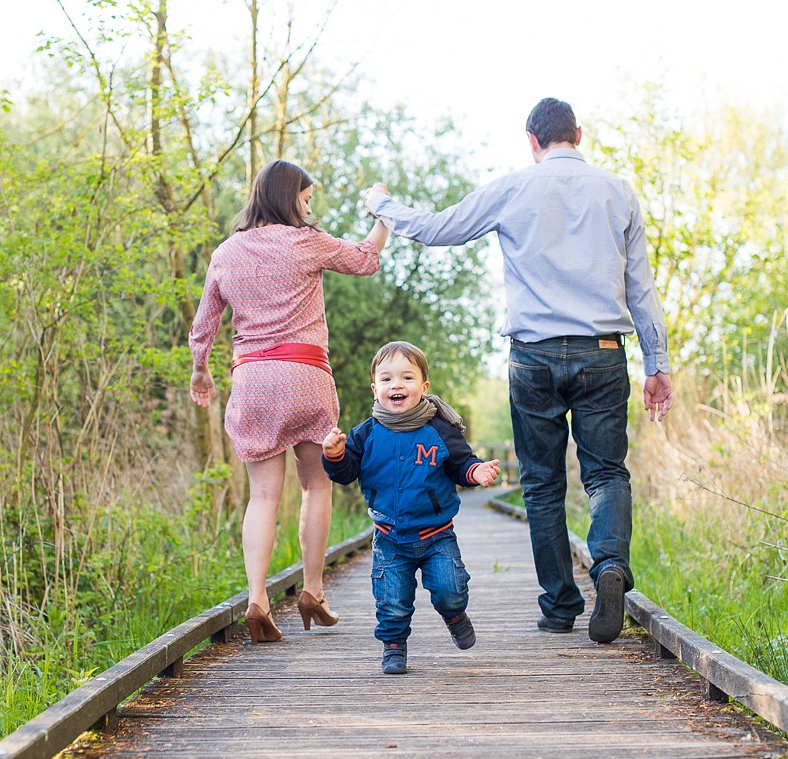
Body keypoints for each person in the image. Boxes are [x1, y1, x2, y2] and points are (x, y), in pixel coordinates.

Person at [364, 98, 673, 645]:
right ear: (578, 134)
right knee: (605, 473)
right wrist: (658, 364)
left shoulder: (513, 187)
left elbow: (438, 230)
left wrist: (384, 206)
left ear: (532, 141)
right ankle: (609, 569)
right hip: (603, 351)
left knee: (542, 484)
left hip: (532, 356)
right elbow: (641, 288)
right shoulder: (619, 191)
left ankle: (559, 605)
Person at [189, 159, 390, 644]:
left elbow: (205, 323)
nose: (309, 206)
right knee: (316, 487)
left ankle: (257, 597)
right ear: (287, 198)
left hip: (252, 379)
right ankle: (313, 591)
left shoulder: (226, 251)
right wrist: (385, 213)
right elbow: (365, 259)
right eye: (305, 198)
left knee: (262, 496)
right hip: (305, 376)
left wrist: (200, 369)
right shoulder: (305, 241)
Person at [322, 341, 501, 674]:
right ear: (376, 389)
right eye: (388, 379)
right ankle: (393, 646)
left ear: (424, 387)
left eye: (407, 377)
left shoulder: (439, 429)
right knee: (391, 600)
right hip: (389, 537)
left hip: (437, 535)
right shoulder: (366, 434)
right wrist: (334, 455)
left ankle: (455, 614)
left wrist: (477, 472)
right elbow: (345, 473)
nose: (397, 385)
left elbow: (462, 463)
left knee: (450, 590)